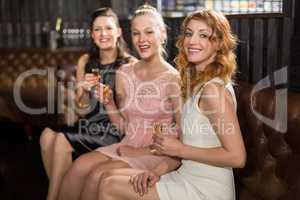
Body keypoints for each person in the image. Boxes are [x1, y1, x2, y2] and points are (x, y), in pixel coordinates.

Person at [97, 9, 247, 200]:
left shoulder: (213, 90)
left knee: (109, 186)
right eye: (189, 33)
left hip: (206, 189)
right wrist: (156, 172)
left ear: (217, 43)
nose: (192, 41)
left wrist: (181, 149)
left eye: (203, 35)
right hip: (186, 176)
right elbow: (182, 149)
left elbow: (237, 157)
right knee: (108, 179)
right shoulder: (195, 84)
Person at [57, 4, 182, 200]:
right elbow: (124, 127)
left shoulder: (173, 79)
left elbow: (182, 139)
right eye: (136, 33)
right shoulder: (124, 73)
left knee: (97, 175)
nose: (141, 40)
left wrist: (139, 150)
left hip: (156, 152)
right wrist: (109, 103)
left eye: (148, 32)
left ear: (163, 33)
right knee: (79, 166)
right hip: (127, 143)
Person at [39, 7, 135, 200]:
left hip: (112, 131)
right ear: (92, 34)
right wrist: (81, 88)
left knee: (60, 140)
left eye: (108, 28)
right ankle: (66, 193)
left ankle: (53, 196)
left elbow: (132, 114)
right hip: (89, 124)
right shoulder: (86, 61)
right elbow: (81, 108)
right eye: (97, 30)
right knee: (47, 135)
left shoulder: (129, 64)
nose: (103, 34)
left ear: (118, 32)